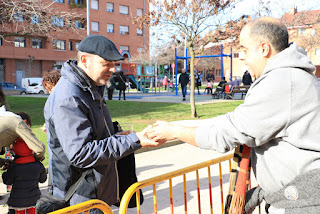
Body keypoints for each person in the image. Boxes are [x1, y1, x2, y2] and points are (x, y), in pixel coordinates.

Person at [147, 17, 320, 214]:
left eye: (244, 49)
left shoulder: (282, 81)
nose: (241, 57)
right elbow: (234, 120)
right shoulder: (292, 76)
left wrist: (174, 132)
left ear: (264, 48)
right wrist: (174, 125)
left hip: (302, 202)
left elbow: (228, 133)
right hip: (298, 196)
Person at [44, 34, 163, 211]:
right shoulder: (69, 97)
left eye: (114, 64)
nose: (113, 70)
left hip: (94, 193)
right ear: (84, 60)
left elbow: (92, 137)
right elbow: (81, 153)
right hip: (80, 197)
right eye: (106, 64)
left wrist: (116, 136)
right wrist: (134, 140)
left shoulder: (90, 87)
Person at [3, 112, 47, 214]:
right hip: (34, 199)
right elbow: (43, 179)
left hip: (17, 201)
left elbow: (7, 181)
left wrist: (6, 173)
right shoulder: (37, 165)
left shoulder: (14, 167)